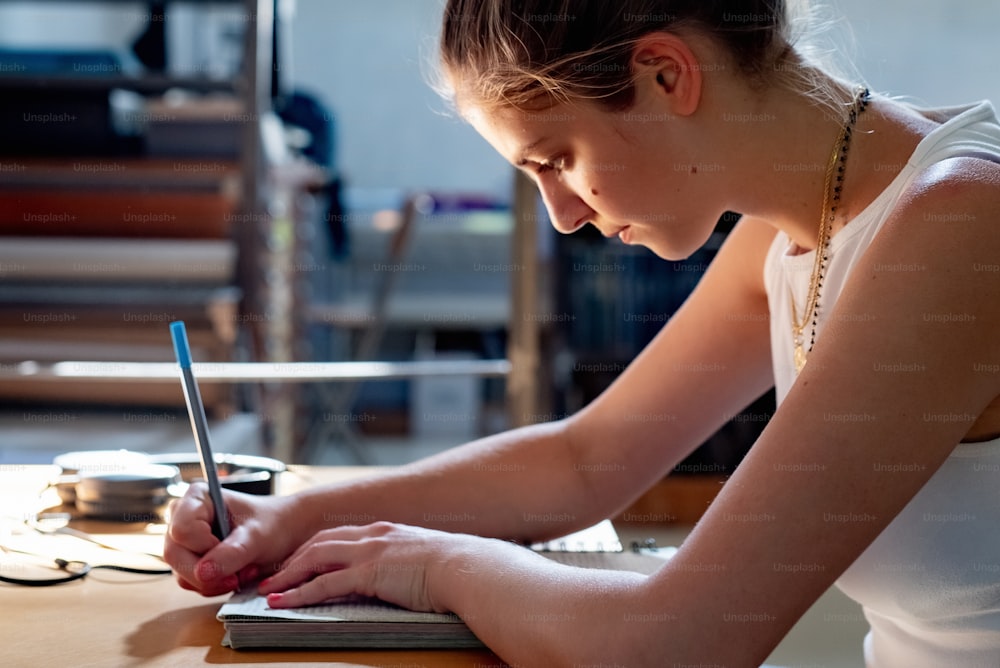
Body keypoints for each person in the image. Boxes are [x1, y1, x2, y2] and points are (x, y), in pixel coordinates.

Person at [164, 1, 1000, 665]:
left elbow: (676, 644)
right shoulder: (794, 229)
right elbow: (585, 461)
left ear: (666, 74)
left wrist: (435, 564)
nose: (561, 216)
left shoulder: (962, 221)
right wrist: (290, 517)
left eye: (555, 158)